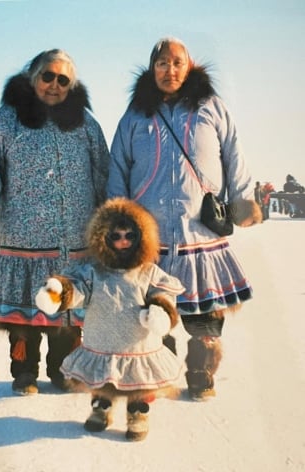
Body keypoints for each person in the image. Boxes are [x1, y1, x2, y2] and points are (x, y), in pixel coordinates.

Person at [107, 37, 261, 401]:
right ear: (152, 68)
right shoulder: (134, 115)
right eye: (162, 63)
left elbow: (234, 154)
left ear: (188, 66)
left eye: (177, 63)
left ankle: (201, 371)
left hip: (200, 231)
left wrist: (242, 200)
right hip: (150, 235)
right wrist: (117, 214)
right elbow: (118, 165)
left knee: (204, 314)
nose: (169, 70)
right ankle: (162, 368)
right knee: (151, 314)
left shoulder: (212, 106)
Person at [0, 49, 110, 395]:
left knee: (66, 312)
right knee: (25, 312)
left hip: (75, 238)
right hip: (24, 236)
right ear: (33, 77)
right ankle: (24, 373)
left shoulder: (86, 124)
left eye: (64, 80)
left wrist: (111, 218)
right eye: (48, 76)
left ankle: (63, 371)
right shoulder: (8, 119)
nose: (55, 85)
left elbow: (103, 171)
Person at [36, 198, 184, 441]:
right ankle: (101, 408)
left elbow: (164, 292)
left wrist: (160, 311)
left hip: (138, 344)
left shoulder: (148, 271)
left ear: (141, 238)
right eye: (115, 236)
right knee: (103, 381)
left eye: (129, 236)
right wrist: (59, 294)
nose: (123, 241)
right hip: (102, 340)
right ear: (102, 238)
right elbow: (79, 289)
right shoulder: (94, 270)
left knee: (139, 383)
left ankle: (138, 413)